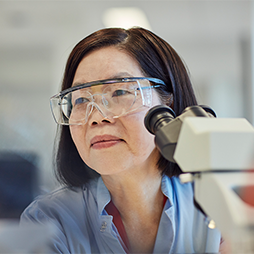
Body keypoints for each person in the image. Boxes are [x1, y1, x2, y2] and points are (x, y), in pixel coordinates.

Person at [20, 27, 222, 253]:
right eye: (80, 100)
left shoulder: (219, 205)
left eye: (119, 92)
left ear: (168, 105)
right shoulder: (48, 221)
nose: (97, 117)